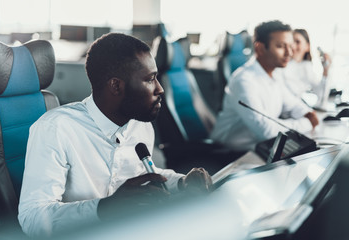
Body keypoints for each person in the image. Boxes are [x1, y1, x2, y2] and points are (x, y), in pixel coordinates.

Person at [18, 33, 212, 238]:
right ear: (116, 86)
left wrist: (182, 183)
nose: (160, 89)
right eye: (150, 79)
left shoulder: (140, 125)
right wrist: (105, 208)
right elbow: (33, 218)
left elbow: (144, 174)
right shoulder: (56, 128)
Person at [210, 20, 319, 151]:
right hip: (230, 154)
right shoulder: (244, 81)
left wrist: (307, 113)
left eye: (290, 46)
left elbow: (292, 104)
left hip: (260, 148)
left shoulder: (275, 74)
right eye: (280, 46)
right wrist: (307, 123)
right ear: (260, 48)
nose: (289, 53)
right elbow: (267, 131)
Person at [280, 29, 332, 101]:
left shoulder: (306, 67)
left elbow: (320, 94)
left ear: (307, 46)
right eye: (291, 42)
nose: (293, 46)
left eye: (297, 42)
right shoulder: (280, 64)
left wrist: (325, 70)